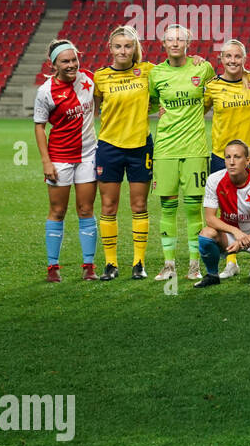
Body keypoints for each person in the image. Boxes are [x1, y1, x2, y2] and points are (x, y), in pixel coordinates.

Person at [149, 23, 216, 281]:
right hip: (165, 148)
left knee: (192, 208)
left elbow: (213, 97)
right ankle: (168, 265)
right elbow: (151, 102)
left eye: (179, 39)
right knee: (167, 207)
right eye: (170, 40)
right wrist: (160, 111)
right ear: (163, 44)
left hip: (195, 149)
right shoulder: (155, 73)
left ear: (188, 43)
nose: (175, 43)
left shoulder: (203, 67)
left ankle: (193, 265)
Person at [92, 25, 154, 281]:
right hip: (109, 147)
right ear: (110, 48)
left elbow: (176, 69)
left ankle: (138, 263)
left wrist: (194, 58)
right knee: (108, 206)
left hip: (140, 146)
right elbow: (95, 108)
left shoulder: (148, 71)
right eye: (118, 46)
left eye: (128, 46)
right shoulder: (100, 77)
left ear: (135, 48)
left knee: (139, 205)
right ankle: (110, 264)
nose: (123, 50)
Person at [34, 39, 98, 281]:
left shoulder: (90, 79)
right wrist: (46, 161)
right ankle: (53, 268)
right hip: (60, 157)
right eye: (65, 61)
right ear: (54, 65)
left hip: (89, 155)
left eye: (74, 60)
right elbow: (39, 127)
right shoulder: (45, 92)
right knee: (58, 211)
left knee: (86, 209)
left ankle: (89, 267)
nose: (71, 65)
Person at [203, 38, 250, 278]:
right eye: (228, 56)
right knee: (227, 210)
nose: (232, 61)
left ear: (244, 59)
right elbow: (199, 108)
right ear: (221, 60)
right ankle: (231, 261)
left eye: (237, 56)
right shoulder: (211, 86)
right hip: (222, 156)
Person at [194, 139, 250, 287]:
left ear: (247, 161)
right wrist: (235, 231)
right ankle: (212, 275)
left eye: (237, 157)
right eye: (228, 157)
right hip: (228, 236)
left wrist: (246, 239)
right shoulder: (214, 180)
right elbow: (210, 219)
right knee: (206, 234)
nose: (231, 162)